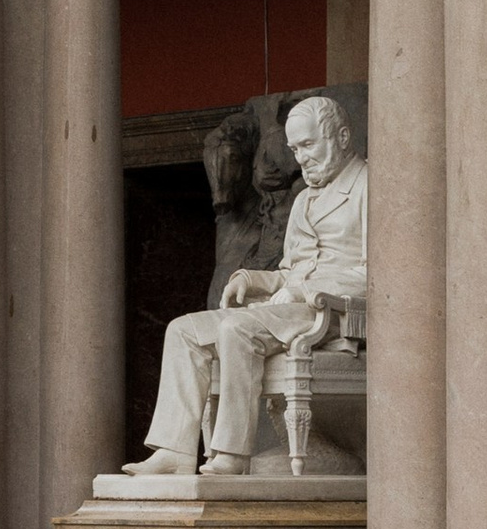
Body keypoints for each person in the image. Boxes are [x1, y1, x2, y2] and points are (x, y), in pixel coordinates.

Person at [127, 93, 365, 476]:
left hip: (335, 312)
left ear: (340, 136)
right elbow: (291, 270)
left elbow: (385, 275)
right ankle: (175, 450)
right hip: (291, 308)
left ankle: (232, 454)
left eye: (307, 145)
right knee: (183, 330)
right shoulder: (304, 199)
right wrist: (252, 279)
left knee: (235, 327)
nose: (300, 157)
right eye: (294, 148)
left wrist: (304, 291)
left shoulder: (372, 187)